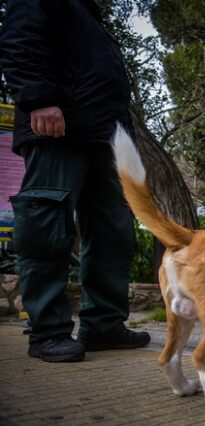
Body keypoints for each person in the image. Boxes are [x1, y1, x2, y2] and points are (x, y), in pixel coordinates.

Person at [0, 0, 150, 362]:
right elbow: (19, 38)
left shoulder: (89, 13)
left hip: (105, 138)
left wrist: (124, 138)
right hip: (57, 128)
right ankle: (48, 331)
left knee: (114, 231)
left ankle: (103, 325)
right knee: (46, 225)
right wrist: (40, 99)